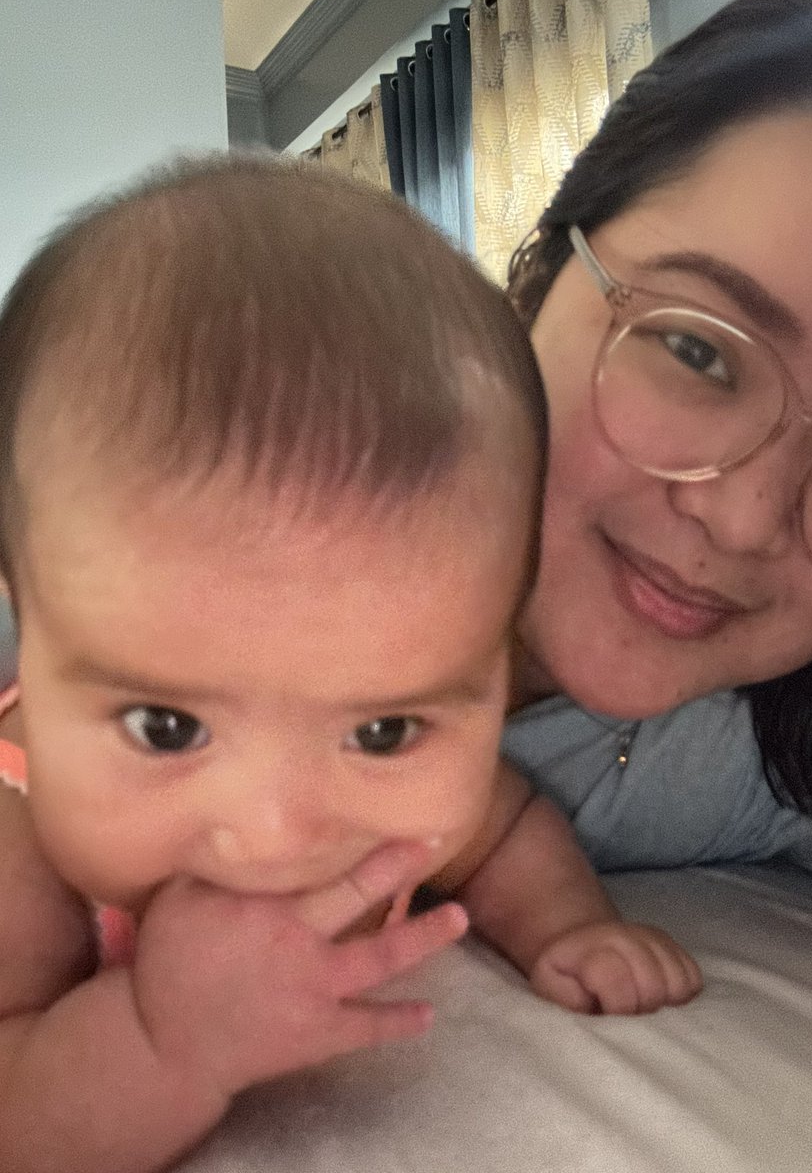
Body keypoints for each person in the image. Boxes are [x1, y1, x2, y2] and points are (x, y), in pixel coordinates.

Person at [0, 156, 701, 1173]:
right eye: (167, 727)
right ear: (29, 610)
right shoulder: (23, 846)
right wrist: (163, 1043)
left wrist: (567, 928)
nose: (277, 832)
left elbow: (503, 832)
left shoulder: (430, 802)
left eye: (380, 731)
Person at [499, 0, 812, 968]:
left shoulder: (774, 762)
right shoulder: (153, 574)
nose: (746, 518)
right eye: (696, 352)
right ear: (536, 286)